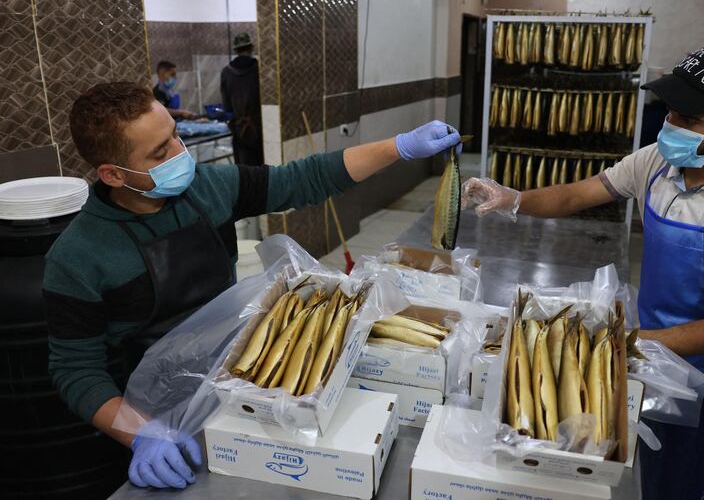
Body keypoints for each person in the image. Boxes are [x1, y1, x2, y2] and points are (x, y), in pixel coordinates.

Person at [44, 81, 461, 490]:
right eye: (160, 151)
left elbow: (305, 178)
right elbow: (75, 371)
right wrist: (141, 436)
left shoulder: (205, 189)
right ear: (113, 174)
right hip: (159, 418)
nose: (179, 153)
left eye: (175, 134)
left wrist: (399, 147)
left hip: (244, 381)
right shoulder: (77, 257)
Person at [462, 44, 704, 500]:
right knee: (653, 473)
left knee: (691, 485)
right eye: (671, 112)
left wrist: (616, 342)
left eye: (690, 121)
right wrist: (514, 199)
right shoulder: (657, 162)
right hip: (652, 351)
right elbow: (579, 194)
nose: (670, 128)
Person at [221, 33, 263, 166]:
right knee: (262, 171)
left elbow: (227, 106)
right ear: (251, 48)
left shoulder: (226, 72)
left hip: (239, 129)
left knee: (243, 171)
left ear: (236, 50)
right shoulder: (260, 69)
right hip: (259, 129)